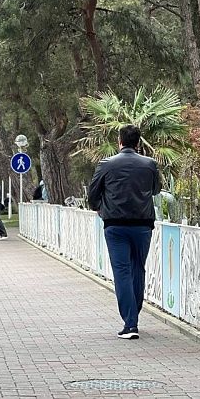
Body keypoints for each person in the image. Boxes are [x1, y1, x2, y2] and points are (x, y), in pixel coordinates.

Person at [87, 125, 160, 340]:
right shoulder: (149, 164)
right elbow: (155, 190)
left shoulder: (106, 165)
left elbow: (93, 193)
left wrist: (99, 208)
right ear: (137, 143)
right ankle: (133, 315)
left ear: (120, 141)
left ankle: (130, 323)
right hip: (143, 225)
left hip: (115, 224)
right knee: (138, 268)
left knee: (122, 272)